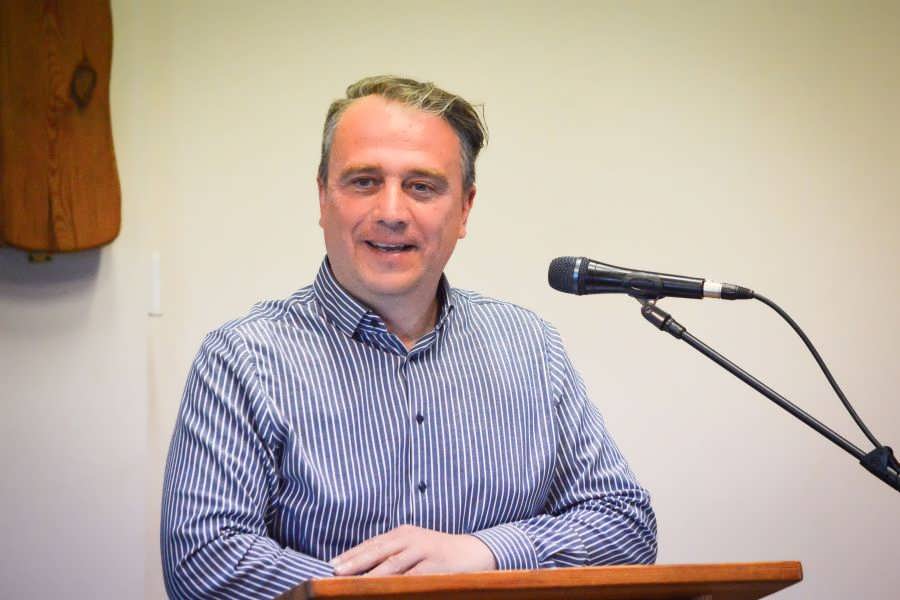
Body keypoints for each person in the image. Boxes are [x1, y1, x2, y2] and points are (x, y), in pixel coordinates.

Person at [161, 75, 657, 599]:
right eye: (364, 182)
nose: (392, 213)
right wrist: (388, 593)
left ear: (464, 209)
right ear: (323, 198)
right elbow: (204, 560)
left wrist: (485, 554)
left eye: (422, 186)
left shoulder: (530, 346)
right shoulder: (243, 358)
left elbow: (625, 526)